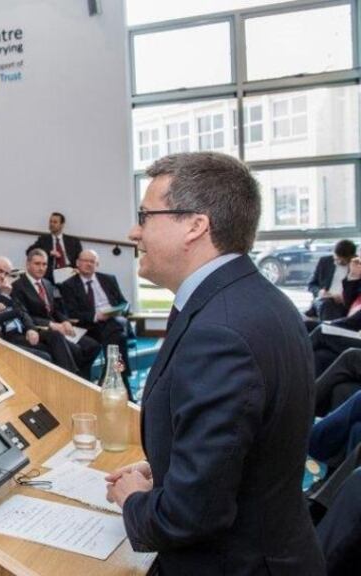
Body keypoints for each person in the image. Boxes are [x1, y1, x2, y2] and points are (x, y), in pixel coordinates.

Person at [104, 152, 322, 574]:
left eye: (145, 216)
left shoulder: (219, 332)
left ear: (195, 225)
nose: (134, 231)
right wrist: (171, 470)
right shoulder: (255, 299)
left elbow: (188, 517)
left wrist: (133, 498)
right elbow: (246, 445)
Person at [0, 256, 79, 374]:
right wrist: (5, 295)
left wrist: (30, 328)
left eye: (7, 274)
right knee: (48, 354)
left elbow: (22, 311)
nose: (3, 276)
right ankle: (67, 378)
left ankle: (71, 376)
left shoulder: (7, 287)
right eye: (0, 271)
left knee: (55, 335)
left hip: (22, 330)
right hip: (7, 335)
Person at [12, 248, 99, 378]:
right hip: (40, 329)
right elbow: (23, 314)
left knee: (93, 346)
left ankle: (83, 379)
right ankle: (73, 379)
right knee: (76, 351)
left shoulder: (47, 283)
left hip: (59, 327)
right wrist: (51, 324)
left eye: (44, 264)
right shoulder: (18, 286)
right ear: (28, 264)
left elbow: (57, 309)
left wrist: (65, 321)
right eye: (37, 264)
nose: (41, 268)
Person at [60, 249, 132, 386]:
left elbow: (123, 302)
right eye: (85, 261)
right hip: (90, 325)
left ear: (97, 265)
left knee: (115, 327)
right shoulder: (68, 285)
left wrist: (119, 311)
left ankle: (111, 376)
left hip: (113, 320)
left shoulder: (109, 279)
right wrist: (95, 316)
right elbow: (72, 313)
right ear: (77, 263)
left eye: (92, 261)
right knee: (118, 334)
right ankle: (117, 375)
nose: (88, 264)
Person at [307, 239, 356, 322]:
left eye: (343, 260)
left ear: (352, 257)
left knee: (335, 310)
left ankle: (328, 328)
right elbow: (311, 284)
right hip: (323, 300)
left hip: (345, 303)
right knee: (327, 304)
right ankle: (330, 328)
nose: (338, 262)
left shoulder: (357, 266)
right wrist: (320, 292)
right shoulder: (324, 262)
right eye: (336, 258)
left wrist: (345, 296)